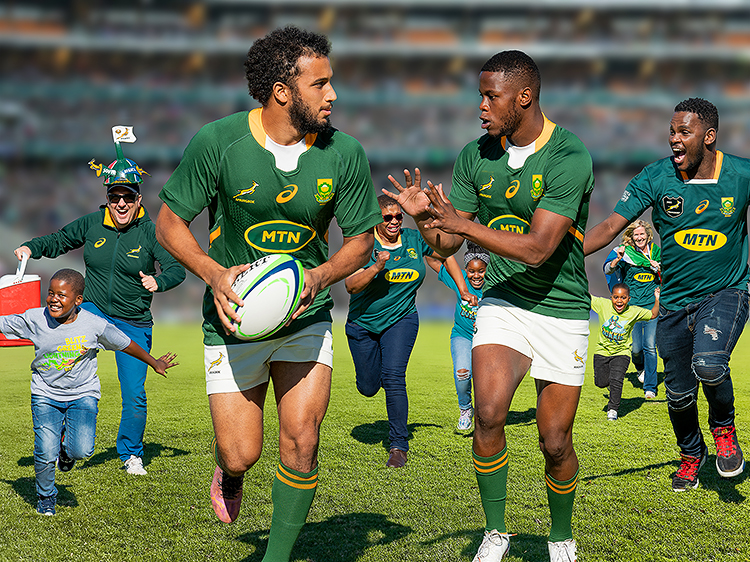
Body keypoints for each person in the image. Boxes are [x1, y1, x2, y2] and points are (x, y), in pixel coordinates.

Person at [154, 26, 381, 562]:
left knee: (302, 440)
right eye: (320, 84)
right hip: (235, 319)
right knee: (242, 453)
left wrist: (320, 277)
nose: (333, 95)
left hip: (307, 317)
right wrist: (214, 274)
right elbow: (168, 223)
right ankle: (228, 471)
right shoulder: (219, 141)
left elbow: (361, 242)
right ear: (282, 91)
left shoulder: (345, 153)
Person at [386, 50, 593, 562]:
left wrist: (462, 224)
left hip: (562, 307)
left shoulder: (568, 154)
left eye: (490, 96)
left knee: (554, 441)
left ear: (523, 97)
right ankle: (496, 532)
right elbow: (446, 244)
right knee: (488, 413)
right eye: (479, 95)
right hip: (502, 301)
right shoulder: (475, 155)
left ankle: (560, 535)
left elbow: (539, 248)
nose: (481, 106)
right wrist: (425, 219)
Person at [584, 97, 749, 492]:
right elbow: (610, 227)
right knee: (678, 396)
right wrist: (556, 257)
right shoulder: (656, 177)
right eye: (672, 131)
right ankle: (692, 454)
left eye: (684, 132)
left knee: (710, 365)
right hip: (673, 304)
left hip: (726, 292)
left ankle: (724, 430)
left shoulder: (741, 175)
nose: (674, 138)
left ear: (709, 136)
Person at [14, 132, 185, 476]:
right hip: (91, 313)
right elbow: (60, 239)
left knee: (134, 394)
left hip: (133, 320)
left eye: (128, 196)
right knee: (63, 372)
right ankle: (65, 443)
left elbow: (176, 268)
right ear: (107, 198)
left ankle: (131, 453)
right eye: (114, 196)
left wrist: (159, 281)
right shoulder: (92, 224)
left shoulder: (151, 233)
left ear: (138, 199)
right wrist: (32, 247)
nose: (121, 203)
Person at [0, 269, 177, 516]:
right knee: (45, 449)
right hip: (45, 393)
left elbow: (125, 343)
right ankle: (46, 497)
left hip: (83, 393)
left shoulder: (94, 324)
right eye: (50, 293)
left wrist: (154, 362)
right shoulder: (35, 318)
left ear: (78, 300)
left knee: (81, 450)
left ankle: (66, 450)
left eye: (61, 295)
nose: (53, 299)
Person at [345, 196, 444, 468]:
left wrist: (462, 289)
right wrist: (377, 267)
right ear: (377, 219)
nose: (394, 221)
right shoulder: (364, 243)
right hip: (363, 324)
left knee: (394, 378)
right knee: (368, 387)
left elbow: (444, 253)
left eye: (398, 216)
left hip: (402, 318)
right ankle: (373, 377)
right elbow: (351, 285)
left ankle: (399, 445)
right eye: (387, 217)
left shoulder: (414, 239)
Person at [425, 241, 489, 432]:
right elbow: (431, 259)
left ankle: (487, 415)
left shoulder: (494, 285)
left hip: (487, 339)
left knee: (487, 381)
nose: (476, 276)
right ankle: (465, 409)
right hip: (462, 336)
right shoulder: (459, 279)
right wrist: (444, 244)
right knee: (462, 373)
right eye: (471, 271)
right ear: (465, 270)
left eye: (481, 271)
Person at [603, 220, 661, 399]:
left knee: (650, 346)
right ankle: (640, 367)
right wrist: (617, 259)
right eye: (636, 235)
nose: (639, 237)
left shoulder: (657, 252)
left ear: (648, 235)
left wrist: (659, 268)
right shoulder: (625, 253)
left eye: (642, 234)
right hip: (633, 308)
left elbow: (668, 274)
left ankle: (650, 387)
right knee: (636, 348)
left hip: (651, 306)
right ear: (632, 237)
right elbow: (608, 270)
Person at [591, 284, 660, 421]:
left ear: (629, 299)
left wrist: (657, 299)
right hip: (602, 351)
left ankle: (613, 410)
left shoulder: (634, 311)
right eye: (616, 297)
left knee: (617, 380)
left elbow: (653, 314)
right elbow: (584, 296)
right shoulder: (602, 304)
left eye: (623, 298)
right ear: (611, 297)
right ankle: (610, 386)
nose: (619, 301)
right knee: (601, 382)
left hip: (622, 353)